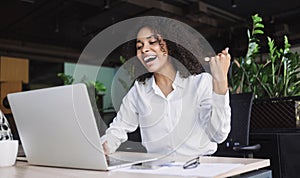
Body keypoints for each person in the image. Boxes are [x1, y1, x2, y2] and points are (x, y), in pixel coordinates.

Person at [100, 22, 231, 156]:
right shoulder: (140, 90)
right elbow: (118, 128)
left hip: (199, 167)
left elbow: (218, 135)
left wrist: (220, 82)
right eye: (139, 46)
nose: (144, 49)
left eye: (152, 42)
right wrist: (104, 147)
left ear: (171, 45)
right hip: (158, 169)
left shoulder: (200, 83)